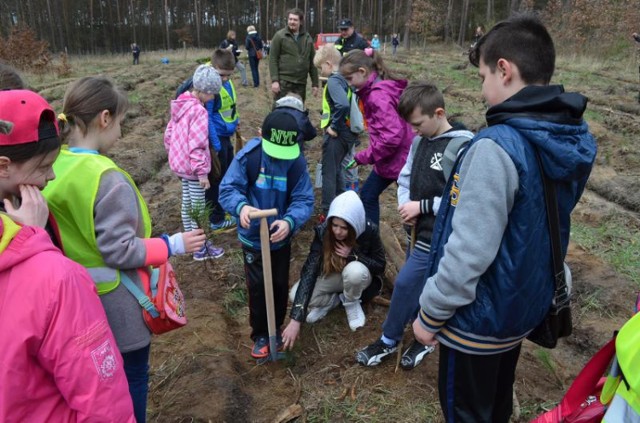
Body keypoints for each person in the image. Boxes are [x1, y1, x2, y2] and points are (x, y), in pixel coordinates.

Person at [412, 16, 596, 422]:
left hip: (476, 323)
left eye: (482, 77)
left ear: (504, 69)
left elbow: (469, 251)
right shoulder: (564, 136)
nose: (481, 90)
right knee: (495, 406)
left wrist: (430, 314)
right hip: (518, 310)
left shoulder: (495, 148)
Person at [41, 77, 208, 422]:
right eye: (120, 123)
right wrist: (170, 244)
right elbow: (118, 250)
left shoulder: (54, 165)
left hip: (73, 300)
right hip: (116, 300)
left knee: (94, 378)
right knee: (131, 375)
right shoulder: (106, 177)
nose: (119, 132)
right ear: (104, 118)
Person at [0, 89, 136, 422]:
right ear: (4, 166)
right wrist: (33, 241)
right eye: (44, 166)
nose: (52, 176)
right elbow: (100, 398)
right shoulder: (52, 276)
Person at [356, 81, 474, 369]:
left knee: (408, 282)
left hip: (443, 235)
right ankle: (421, 333)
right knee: (418, 284)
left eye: (418, 123)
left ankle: (393, 339)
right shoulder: (420, 142)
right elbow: (405, 176)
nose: (414, 130)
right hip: (417, 230)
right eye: (410, 125)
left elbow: (461, 198)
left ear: (439, 113)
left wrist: (421, 206)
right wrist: (405, 202)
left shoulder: (462, 148)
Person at [219, 109, 314, 359]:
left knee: (280, 284)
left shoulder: (296, 162)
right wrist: (242, 207)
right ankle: (261, 333)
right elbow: (228, 188)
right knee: (258, 286)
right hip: (252, 238)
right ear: (261, 135)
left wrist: (290, 221)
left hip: (279, 238)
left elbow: (304, 198)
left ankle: (277, 327)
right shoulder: (249, 157)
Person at [282, 191, 386, 345]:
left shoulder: (369, 230)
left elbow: (380, 266)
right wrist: (296, 318)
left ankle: (351, 302)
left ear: (354, 225)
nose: (337, 231)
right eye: (335, 225)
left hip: (360, 277)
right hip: (335, 275)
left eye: (343, 228)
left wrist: (353, 256)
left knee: (354, 272)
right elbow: (310, 271)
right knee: (295, 294)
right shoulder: (324, 231)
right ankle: (332, 302)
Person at [340, 48, 413, 225]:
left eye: (349, 79)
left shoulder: (377, 96)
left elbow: (392, 137)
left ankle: (371, 244)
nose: (349, 84)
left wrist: (364, 156)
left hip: (398, 159)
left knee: (402, 204)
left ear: (362, 72)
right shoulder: (377, 88)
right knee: (369, 194)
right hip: (394, 157)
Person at [164, 65, 225, 260]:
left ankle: (191, 243)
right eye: (212, 94)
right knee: (198, 207)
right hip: (192, 169)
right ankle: (201, 248)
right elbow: (197, 145)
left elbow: (169, 135)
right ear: (205, 91)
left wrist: (175, 155)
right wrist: (202, 173)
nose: (214, 98)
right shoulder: (199, 112)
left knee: (187, 204)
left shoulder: (181, 104)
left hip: (181, 166)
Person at [314, 44, 359, 217]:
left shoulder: (333, 81)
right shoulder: (344, 79)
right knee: (339, 170)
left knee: (329, 173)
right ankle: (343, 205)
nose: (321, 72)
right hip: (348, 134)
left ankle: (327, 213)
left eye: (321, 68)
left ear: (328, 63)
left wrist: (333, 126)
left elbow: (342, 104)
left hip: (337, 135)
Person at [205, 49, 240, 232]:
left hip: (226, 137)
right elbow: (208, 117)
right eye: (222, 75)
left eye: (229, 75)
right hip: (217, 140)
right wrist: (215, 145)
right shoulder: (211, 88)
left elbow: (230, 106)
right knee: (216, 179)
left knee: (228, 175)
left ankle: (225, 207)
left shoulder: (227, 83)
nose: (225, 79)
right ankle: (216, 219)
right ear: (213, 68)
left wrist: (236, 122)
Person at [269, 8, 319, 105]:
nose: (292, 22)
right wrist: (275, 81)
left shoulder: (307, 38)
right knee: (280, 110)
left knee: (297, 111)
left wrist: (315, 84)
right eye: (290, 19)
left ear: (300, 22)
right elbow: (273, 59)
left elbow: (312, 63)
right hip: (284, 82)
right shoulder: (279, 36)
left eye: (295, 20)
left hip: (301, 84)